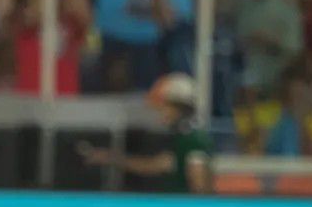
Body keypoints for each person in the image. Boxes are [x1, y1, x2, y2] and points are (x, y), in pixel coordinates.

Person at [78, 73, 212, 193]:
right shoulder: (180, 137)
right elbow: (154, 165)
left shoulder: (193, 140)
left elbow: (199, 184)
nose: (160, 112)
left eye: (164, 106)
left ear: (180, 107)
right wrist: (110, 157)